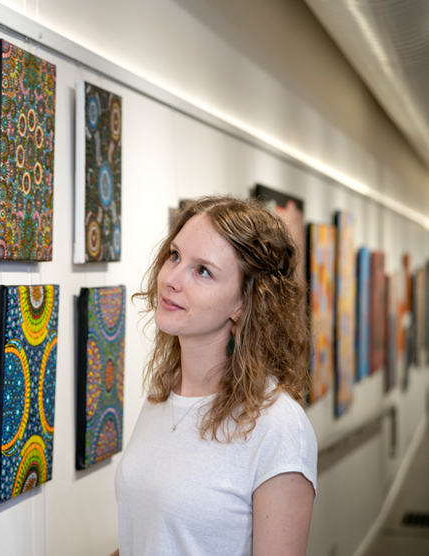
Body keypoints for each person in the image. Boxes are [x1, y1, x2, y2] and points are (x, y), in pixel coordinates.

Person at [113, 195, 317, 556]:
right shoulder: (163, 395)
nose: (171, 279)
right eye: (174, 256)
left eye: (202, 270)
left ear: (244, 302)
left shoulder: (278, 426)